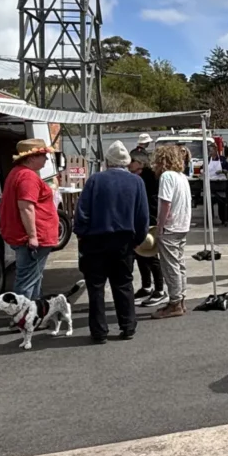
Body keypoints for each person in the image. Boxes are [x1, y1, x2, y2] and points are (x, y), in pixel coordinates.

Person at [74, 141, 150, 343]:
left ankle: (99, 331)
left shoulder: (95, 180)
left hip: (95, 241)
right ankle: (128, 326)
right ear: (126, 162)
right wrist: (137, 240)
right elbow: (143, 217)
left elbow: (81, 213)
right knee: (124, 284)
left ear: (107, 161)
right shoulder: (136, 182)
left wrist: (81, 233)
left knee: (96, 287)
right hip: (124, 240)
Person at [0, 139, 60, 302]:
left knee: (33, 277)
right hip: (33, 237)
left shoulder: (18, 173)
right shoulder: (27, 177)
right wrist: (32, 236)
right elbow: (26, 207)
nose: (46, 159)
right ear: (31, 157)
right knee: (27, 279)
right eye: (43, 155)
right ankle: (22, 317)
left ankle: (33, 313)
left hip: (28, 236)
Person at [150, 144, 193, 319]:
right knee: (179, 263)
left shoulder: (167, 176)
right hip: (182, 225)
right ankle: (180, 299)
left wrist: (160, 225)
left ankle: (175, 302)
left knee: (170, 266)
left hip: (171, 226)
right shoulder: (182, 176)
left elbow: (166, 203)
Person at [128, 149, 166, 308]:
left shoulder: (150, 177)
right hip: (139, 218)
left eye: (133, 164)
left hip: (149, 218)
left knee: (150, 254)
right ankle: (146, 285)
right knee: (140, 253)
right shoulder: (138, 175)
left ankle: (159, 289)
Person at [206, 144, 228, 225]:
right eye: (209, 151)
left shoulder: (224, 160)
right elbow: (202, 169)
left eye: (211, 151)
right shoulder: (207, 160)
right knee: (209, 203)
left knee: (223, 203)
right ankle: (209, 220)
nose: (210, 153)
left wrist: (224, 171)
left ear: (216, 150)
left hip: (222, 184)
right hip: (211, 184)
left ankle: (224, 219)